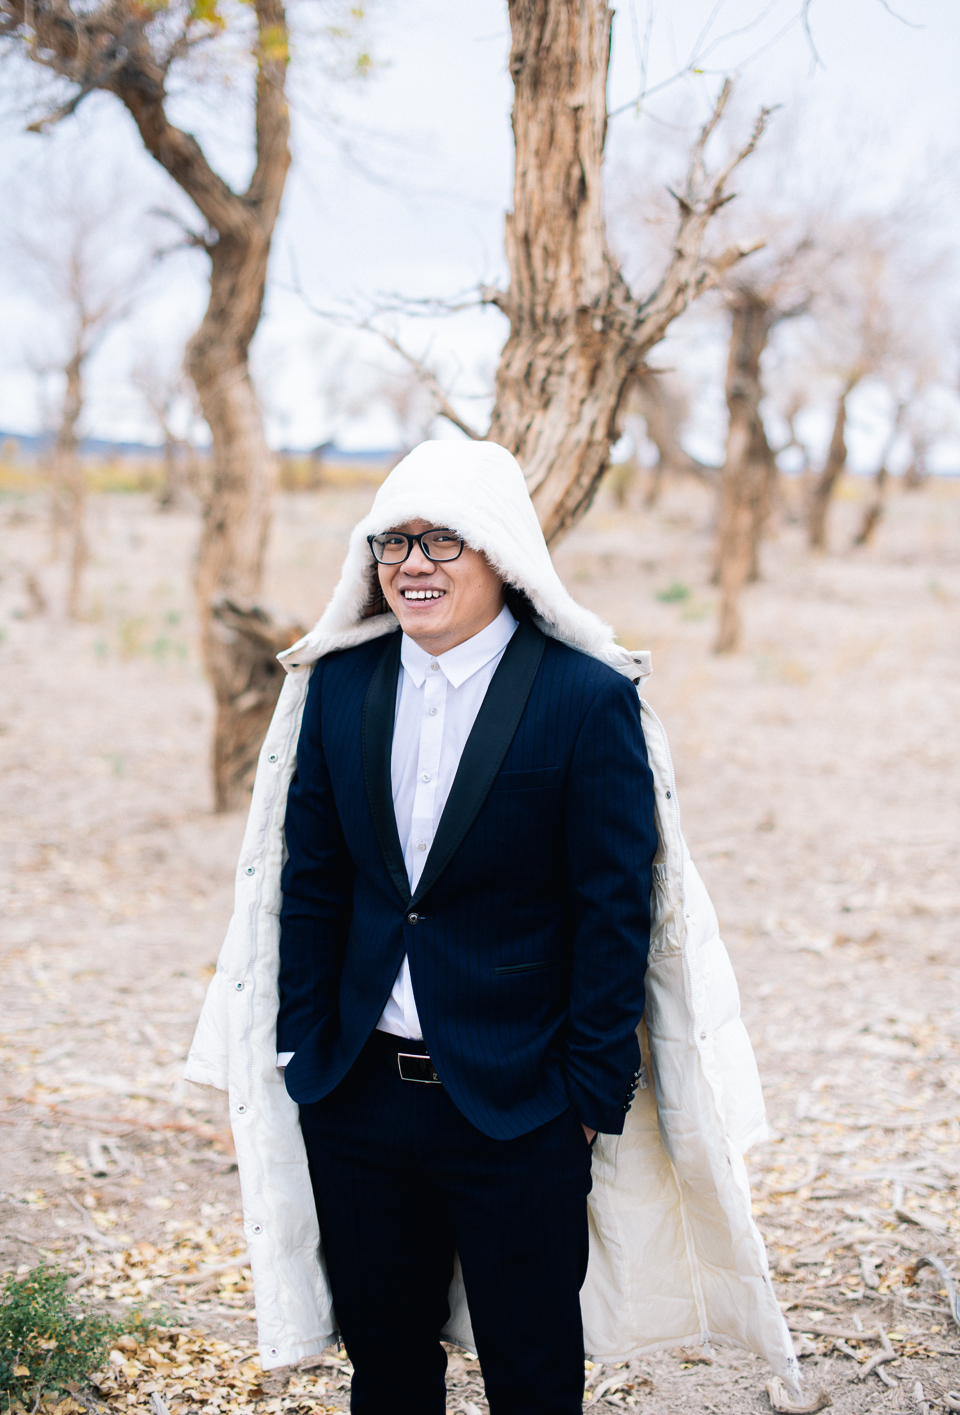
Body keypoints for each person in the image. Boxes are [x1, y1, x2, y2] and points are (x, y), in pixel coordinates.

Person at [184, 440, 798, 1412]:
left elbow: (612, 911)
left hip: (520, 1106)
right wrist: (305, 1049)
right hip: (355, 1096)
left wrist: (585, 1096)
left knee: (533, 1375)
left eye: (442, 540)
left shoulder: (583, 697)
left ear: (500, 554)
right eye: (393, 541)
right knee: (385, 1368)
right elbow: (313, 883)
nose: (412, 564)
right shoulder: (339, 687)